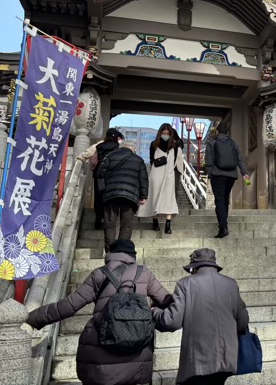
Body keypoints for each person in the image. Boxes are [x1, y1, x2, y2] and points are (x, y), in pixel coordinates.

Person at [26, 239, 172, 385]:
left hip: (102, 355)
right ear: (133, 256)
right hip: (137, 355)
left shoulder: (99, 274)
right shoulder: (144, 273)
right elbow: (167, 301)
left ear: (110, 254)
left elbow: (69, 306)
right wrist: (153, 310)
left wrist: (32, 318)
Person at [152, 248, 249, 385]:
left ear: (193, 268)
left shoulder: (185, 283)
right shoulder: (231, 284)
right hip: (227, 359)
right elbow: (243, 321)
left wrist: (154, 311)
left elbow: (172, 321)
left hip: (198, 362)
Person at [96, 139, 148, 252]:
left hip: (111, 194)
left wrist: (103, 190)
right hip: (130, 196)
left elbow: (100, 174)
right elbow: (143, 179)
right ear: (133, 149)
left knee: (109, 223)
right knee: (126, 225)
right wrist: (143, 196)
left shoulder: (110, 156)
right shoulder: (138, 160)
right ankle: (121, 251)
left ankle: (110, 251)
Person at [204, 123, 250, 238]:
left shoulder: (211, 143)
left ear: (217, 132)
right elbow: (240, 159)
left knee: (219, 201)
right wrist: (245, 173)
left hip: (217, 175)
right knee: (225, 200)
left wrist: (210, 174)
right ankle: (224, 224)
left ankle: (223, 227)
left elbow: (208, 160)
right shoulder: (233, 143)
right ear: (228, 132)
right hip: (231, 176)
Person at [138, 123, 184, 234]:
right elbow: (151, 159)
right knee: (154, 196)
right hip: (156, 173)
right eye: (164, 133)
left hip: (169, 174)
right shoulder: (154, 144)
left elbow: (177, 160)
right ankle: (155, 221)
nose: (165, 135)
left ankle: (168, 225)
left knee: (169, 198)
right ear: (160, 133)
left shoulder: (175, 145)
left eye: (168, 133)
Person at [77, 128, 123, 230]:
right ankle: (108, 221)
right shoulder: (118, 148)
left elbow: (88, 154)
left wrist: (79, 158)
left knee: (98, 198)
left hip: (99, 175)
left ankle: (98, 219)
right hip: (112, 177)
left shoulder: (99, 145)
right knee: (110, 199)